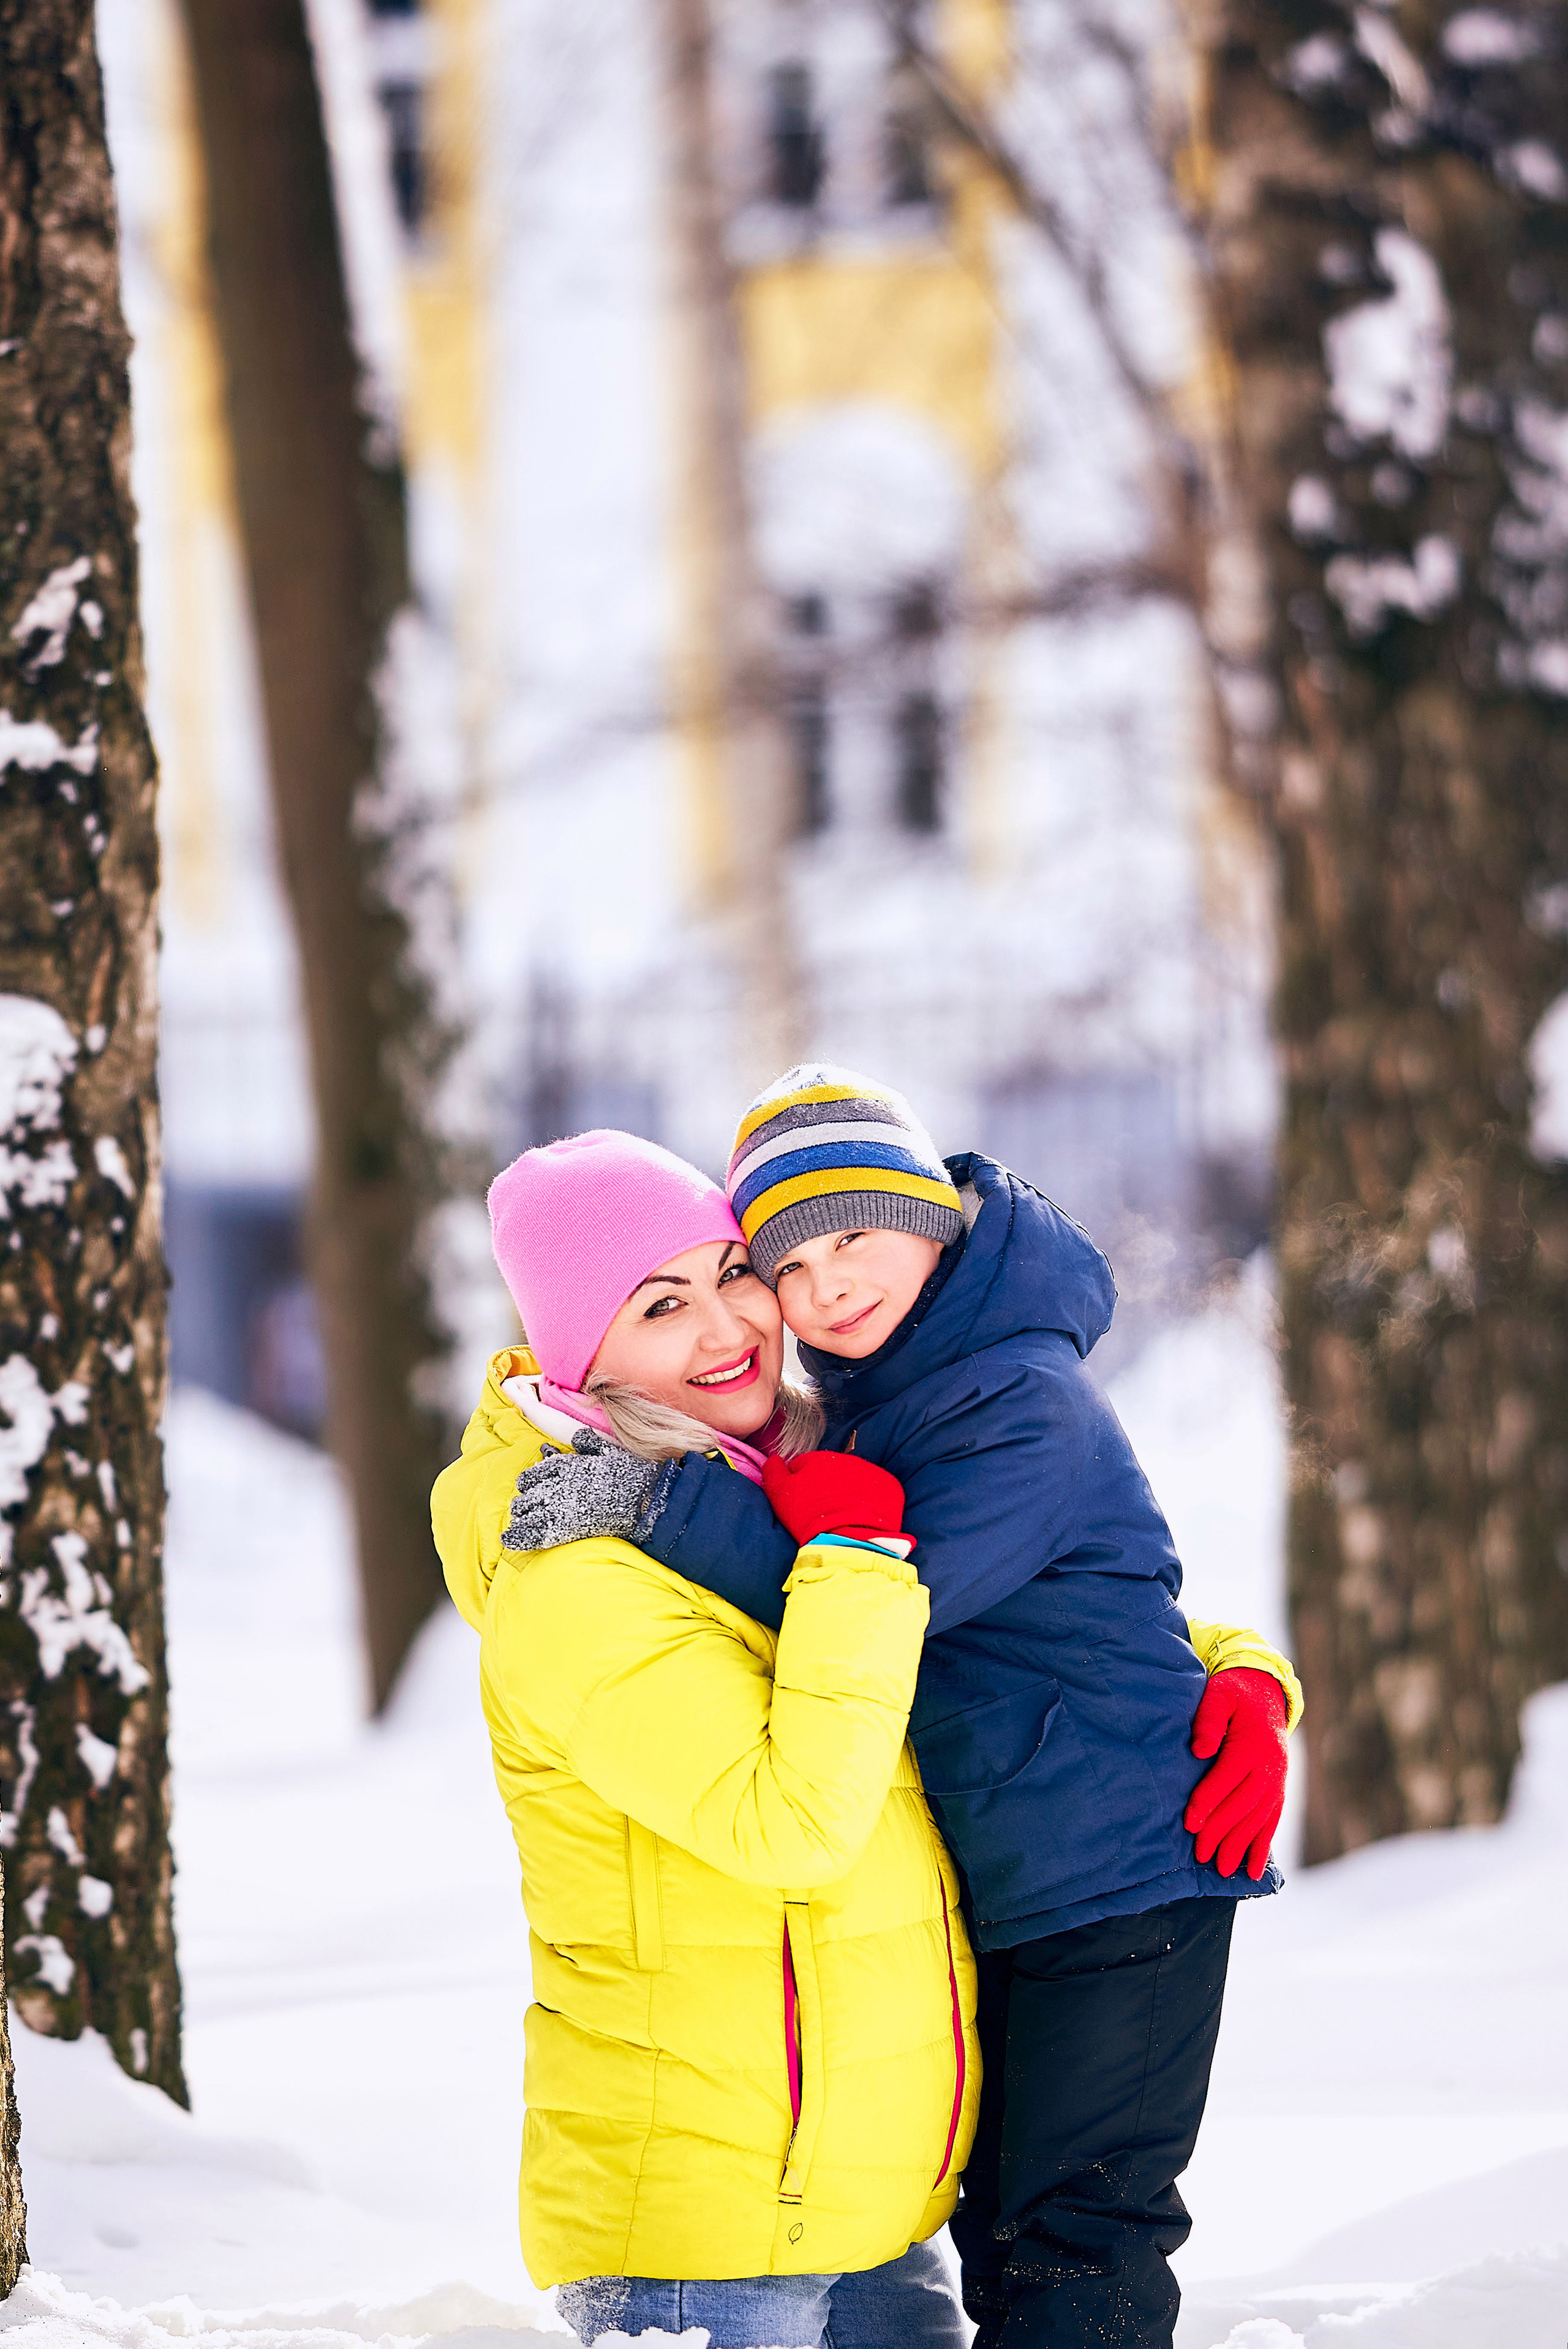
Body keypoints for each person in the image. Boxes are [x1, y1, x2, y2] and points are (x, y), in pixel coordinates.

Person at [513, 1069, 1302, 2349]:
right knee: (1012, 2233)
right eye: (787, 1261)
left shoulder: (1008, 1396)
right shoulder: (879, 1385)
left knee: (1079, 2238)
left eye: (849, 1239)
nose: (817, 1290)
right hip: (1011, 1882)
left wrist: (657, 1502)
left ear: (932, 1215)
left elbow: (885, 1589)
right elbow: (977, 1599)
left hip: (1114, 1872)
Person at [432, 1129, 981, 2349]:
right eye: (660, 1303)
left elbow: (1004, 1617)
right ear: (585, 1351)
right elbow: (789, 1824)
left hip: (868, 2210)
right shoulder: (575, 1573)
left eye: (734, 1269)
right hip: (706, 2249)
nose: (729, 1325)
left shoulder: (757, 1477)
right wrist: (851, 1561)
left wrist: (1224, 1671)